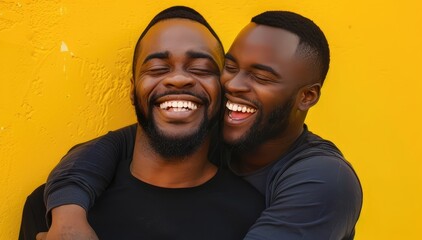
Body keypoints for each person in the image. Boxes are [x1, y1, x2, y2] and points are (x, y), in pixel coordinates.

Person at [43, 10, 363, 240]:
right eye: (231, 67)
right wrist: (68, 212)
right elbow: (112, 145)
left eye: (261, 77)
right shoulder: (226, 131)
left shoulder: (323, 181)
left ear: (306, 96)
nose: (235, 85)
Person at [18, 6, 265, 240]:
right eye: (157, 68)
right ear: (133, 90)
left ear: (223, 91)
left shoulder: (257, 216)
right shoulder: (51, 210)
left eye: (200, 69)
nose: (178, 79)